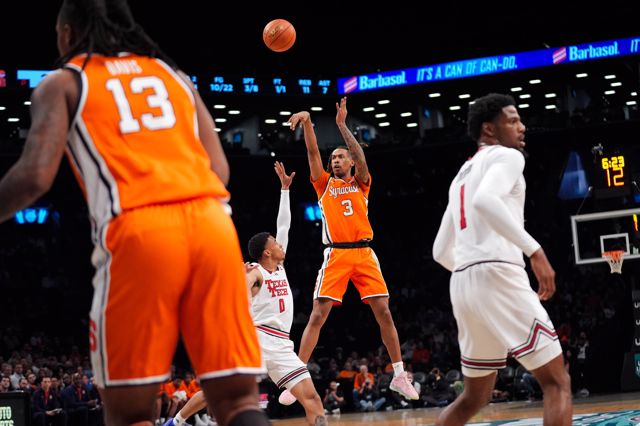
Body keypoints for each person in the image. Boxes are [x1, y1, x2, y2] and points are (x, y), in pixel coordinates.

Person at [0, 1, 268, 425]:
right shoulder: (172, 75)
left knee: (130, 413)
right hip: (213, 223)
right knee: (237, 402)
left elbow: (34, 176)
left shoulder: (64, 82)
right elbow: (219, 169)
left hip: (140, 229)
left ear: (67, 32)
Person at [432, 93, 572, 425]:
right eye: (512, 120)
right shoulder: (508, 157)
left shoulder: (461, 175)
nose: (522, 127)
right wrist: (535, 251)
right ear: (489, 129)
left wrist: (475, 269)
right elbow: (486, 200)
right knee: (557, 383)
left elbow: (440, 251)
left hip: (462, 282)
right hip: (498, 272)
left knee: (473, 398)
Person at [164, 163, 326, 426]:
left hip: (281, 345)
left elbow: (284, 225)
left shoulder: (279, 267)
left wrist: (285, 190)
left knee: (313, 399)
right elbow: (240, 290)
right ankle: (176, 422)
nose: (280, 244)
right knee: (218, 390)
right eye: (275, 243)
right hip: (257, 340)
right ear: (267, 252)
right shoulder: (255, 273)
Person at [280, 97, 418, 405]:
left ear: (352, 162)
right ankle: (296, 378)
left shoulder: (362, 182)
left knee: (384, 312)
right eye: (334, 158)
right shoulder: (323, 185)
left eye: (341, 157)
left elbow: (360, 155)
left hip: (365, 254)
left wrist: (342, 125)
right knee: (318, 314)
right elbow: (312, 152)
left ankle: (399, 375)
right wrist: (307, 121)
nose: (336, 161)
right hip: (336, 254)